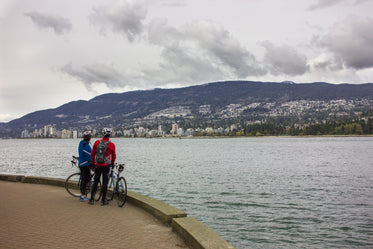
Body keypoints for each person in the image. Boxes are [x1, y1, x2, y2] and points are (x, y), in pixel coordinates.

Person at [89, 128, 116, 205]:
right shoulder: (111, 144)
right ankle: (103, 200)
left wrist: (92, 163)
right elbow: (114, 155)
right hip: (106, 166)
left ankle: (91, 199)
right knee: (105, 183)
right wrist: (112, 163)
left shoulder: (97, 142)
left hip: (97, 165)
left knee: (96, 182)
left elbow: (93, 154)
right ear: (110, 135)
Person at [78, 131, 92, 202]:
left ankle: (82, 194)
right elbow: (89, 157)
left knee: (83, 179)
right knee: (85, 180)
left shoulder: (81, 143)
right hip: (85, 164)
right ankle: (82, 195)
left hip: (81, 163)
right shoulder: (87, 147)